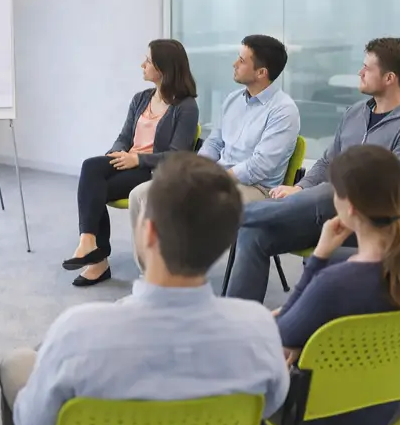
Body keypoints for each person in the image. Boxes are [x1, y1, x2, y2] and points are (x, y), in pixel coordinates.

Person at [0, 152, 290, 425]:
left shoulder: (78, 330)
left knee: (17, 364)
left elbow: (33, 424)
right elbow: (269, 406)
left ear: (148, 233)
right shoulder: (258, 329)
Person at [226, 37, 400, 303]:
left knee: (332, 190)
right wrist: (299, 188)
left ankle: (228, 216)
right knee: (254, 233)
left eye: (367, 68)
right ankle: (241, 319)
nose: (360, 73)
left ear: (389, 78)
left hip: (369, 225)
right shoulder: (355, 113)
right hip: (328, 216)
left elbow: (390, 190)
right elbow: (326, 163)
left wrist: (333, 191)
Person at [274, 145, 400, 425]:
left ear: (348, 207)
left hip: (322, 414)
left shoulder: (336, 281)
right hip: (390, 405)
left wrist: (320, 256)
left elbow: (281, 335)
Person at [127, 34, 300, 271]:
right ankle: (154, 277)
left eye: (241, 60)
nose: (234, 64)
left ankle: (177, 277)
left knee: (183, 203)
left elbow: (260, 166)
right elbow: (214, 143)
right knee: (141, 195)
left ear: (261, 72)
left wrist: (213, 178)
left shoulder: (283, 111)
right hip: (218, 178)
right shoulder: (233, 100)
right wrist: (196, 170)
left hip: (257, 188)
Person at [63, 39, 199, 286]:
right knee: (92, 168)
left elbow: (178, 156)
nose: (142, 64)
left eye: (148, 60)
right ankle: (90, 244)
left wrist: (137, 159)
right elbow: (124, 138)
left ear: (164, 67)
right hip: (129, 162)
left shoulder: (186, 107)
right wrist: (115, 155)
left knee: (94, 184)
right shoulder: (141, 98)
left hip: (154, 171)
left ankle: (96, 258)